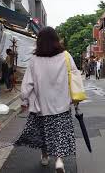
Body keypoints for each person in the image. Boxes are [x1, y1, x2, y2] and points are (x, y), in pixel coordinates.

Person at [15, 27, 76, 173]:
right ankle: (59, 161)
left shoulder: (35, 60)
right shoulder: (66, 56)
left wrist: (24, 99)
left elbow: (27, 84)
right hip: (62, 104)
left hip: (42, 105)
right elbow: (74, 76)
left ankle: (44, 155)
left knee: (44, 132)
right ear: (56, 40)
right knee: (60, 133)